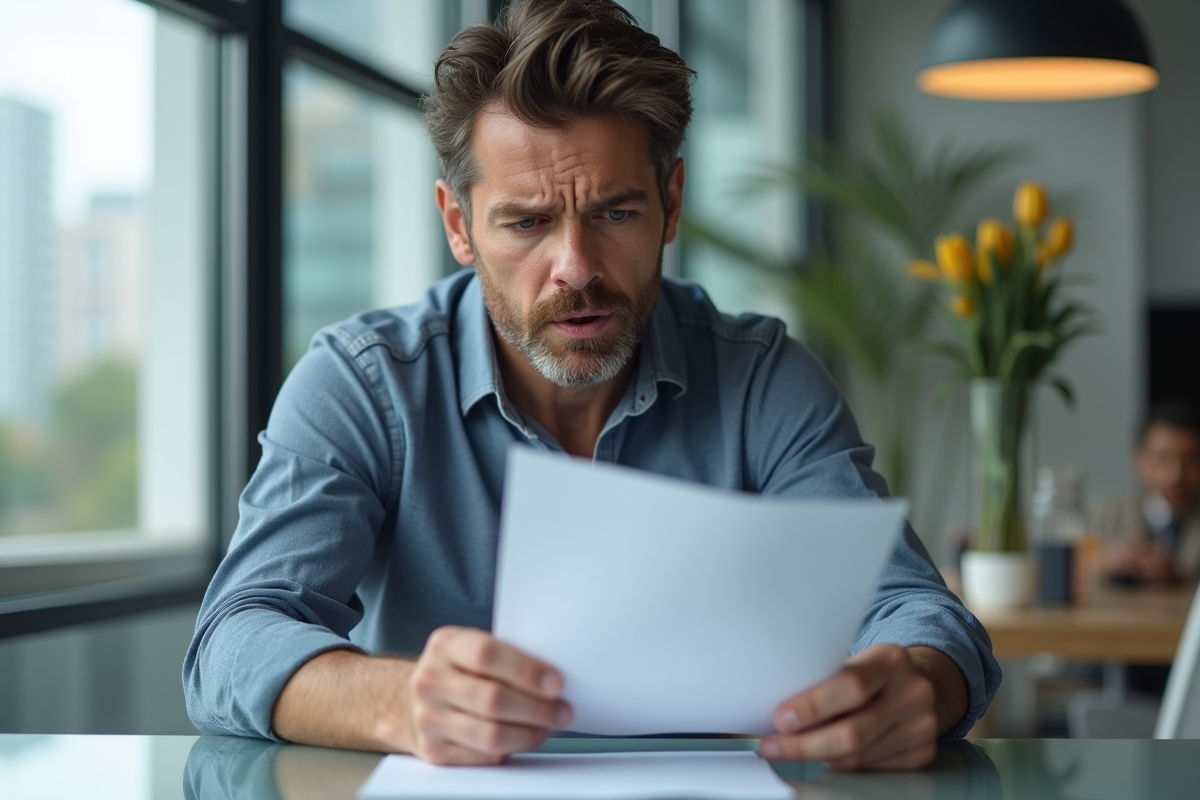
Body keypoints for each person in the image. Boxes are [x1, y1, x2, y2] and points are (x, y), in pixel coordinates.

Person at [184, 0, 999, 770]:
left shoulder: (762, 380)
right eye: (527, 221)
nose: (575, 269)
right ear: (458, 225)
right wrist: (397, 701)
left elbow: (919, 613)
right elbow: (232, 640)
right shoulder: (363, 385)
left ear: (671, 205)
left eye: (614, 214)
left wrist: (918, 684)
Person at [1095, 399, 1200, 583]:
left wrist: (1179, 578)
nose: (1175, 475)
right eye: (1162, 459)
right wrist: (1105, 566)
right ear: (1140, 461)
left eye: (1189, 460)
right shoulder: (1104, 516)